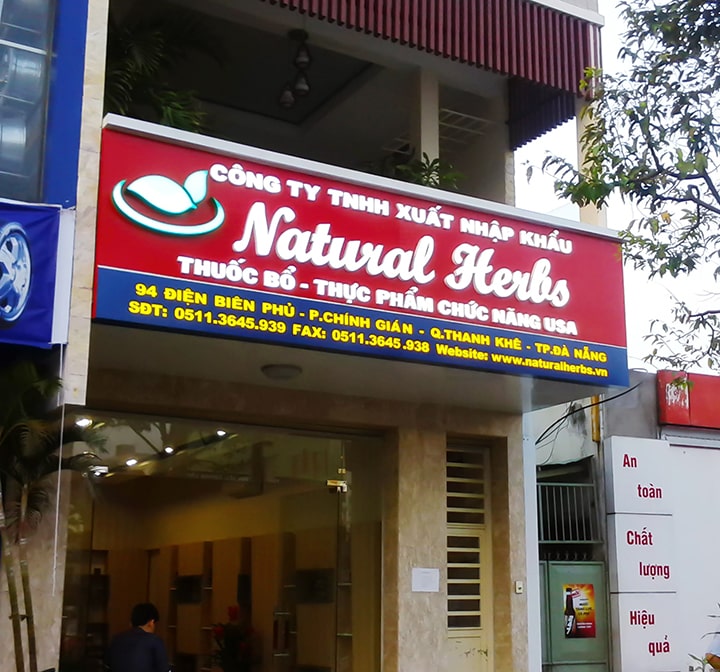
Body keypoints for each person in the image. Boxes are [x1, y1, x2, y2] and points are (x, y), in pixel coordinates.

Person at [106, 602, 170, 672]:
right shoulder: (154, 640)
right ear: (151, 622)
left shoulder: (116, 639)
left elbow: (108, 664)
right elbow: (164, 669)